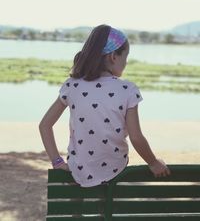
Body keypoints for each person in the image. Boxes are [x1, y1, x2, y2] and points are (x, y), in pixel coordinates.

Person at [39, 24, 170, 187]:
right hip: (116, 171)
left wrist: (57, 161)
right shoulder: (128, 90)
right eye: (125, 57)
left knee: (76, 206)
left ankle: (76, 213)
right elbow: (136, 137)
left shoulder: (72, 86)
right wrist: (153, 163)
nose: (126, 62)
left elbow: (44, 125)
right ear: (113, 56)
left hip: (78, 171)